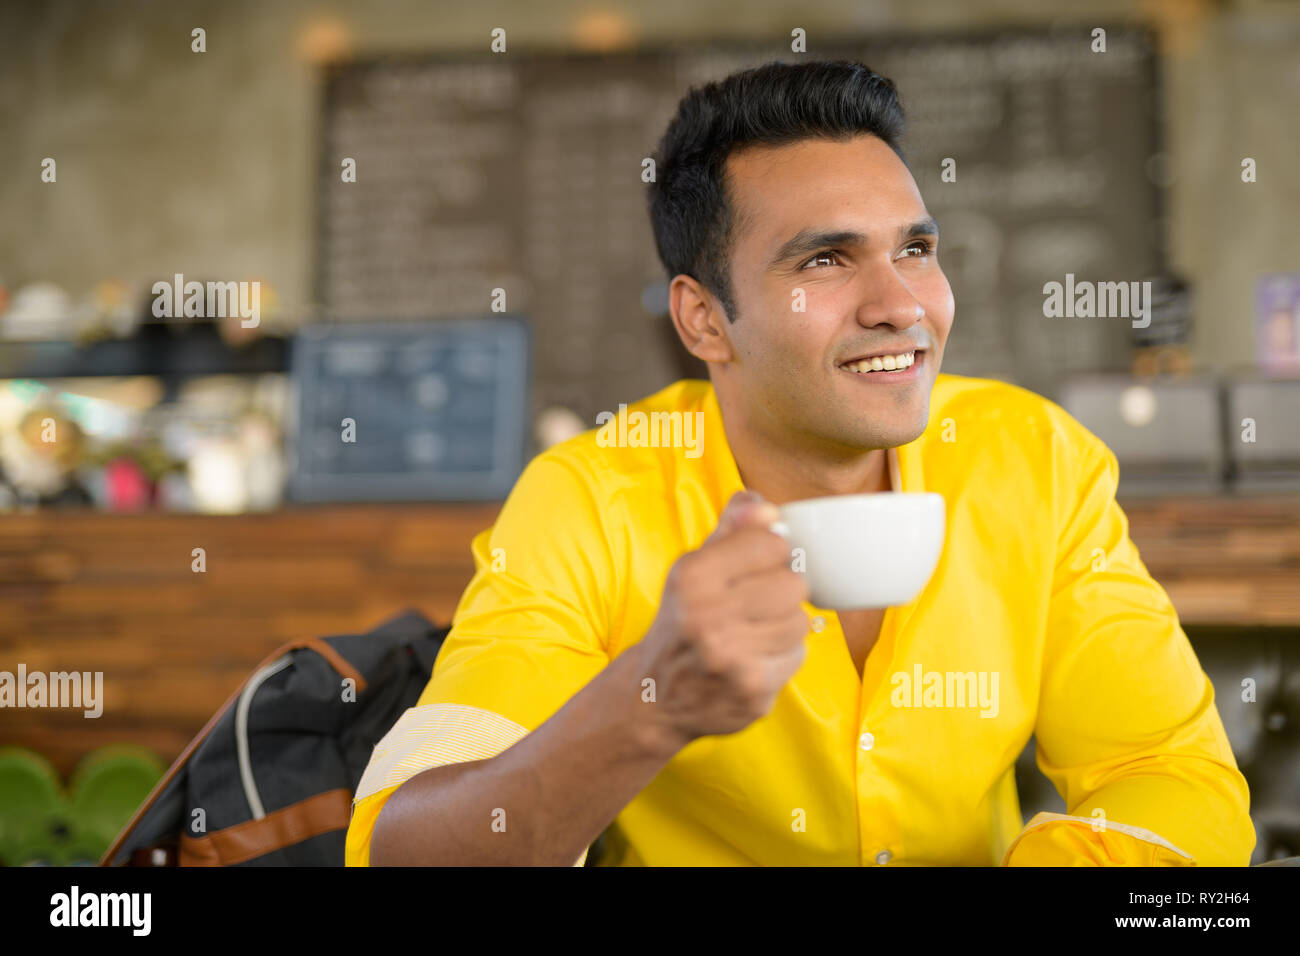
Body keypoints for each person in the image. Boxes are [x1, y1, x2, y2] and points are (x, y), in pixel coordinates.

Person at [346, 60, 1254, 866]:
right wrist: (648, 705)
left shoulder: (1037, 460)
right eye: (825, 259)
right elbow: (408, 850)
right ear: (705, 319)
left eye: (916, 249)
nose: (902, 305)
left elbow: (1169, 772)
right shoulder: (590, 499)